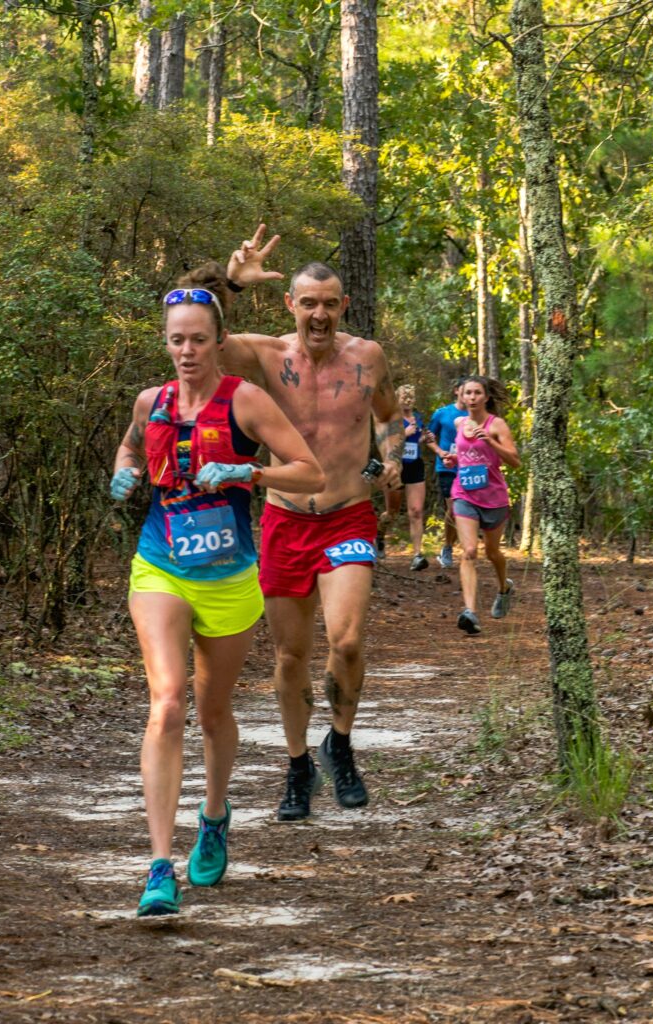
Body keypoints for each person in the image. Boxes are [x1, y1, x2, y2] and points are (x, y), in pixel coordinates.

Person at [110, 265, 324, 916]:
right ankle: (157, 867)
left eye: (198, 339)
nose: (186, 351)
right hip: (161, 565)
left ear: (217, 339)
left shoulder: (245, 401)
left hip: (230, 577)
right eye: (176, 339)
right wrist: (122, 474)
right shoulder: (150, 403)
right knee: (167, 703)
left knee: (211, 713)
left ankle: (213, 814)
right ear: (165, 342)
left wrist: (248, 471)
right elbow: (126, 449)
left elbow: (309, 473)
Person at [222, 225, 404, 822]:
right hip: (284, 521)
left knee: (347, 641)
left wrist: (392, 457)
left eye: (329, 303)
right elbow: (200, 339)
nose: (319, 314)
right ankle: (299, 766)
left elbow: (388, 414)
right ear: (289, 305)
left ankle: (341, 745)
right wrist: (230, 281)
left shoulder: (367, 356)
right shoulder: (266, 355)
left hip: (348, 513)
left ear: (343, 306)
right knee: (289, 656)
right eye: (308, 303)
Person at [441, 375, 520, 635]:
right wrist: (455, 459)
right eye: (468, 393)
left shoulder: (496, 425)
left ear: (486, 397)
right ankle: (470, 612)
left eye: (477, 393)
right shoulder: (458, 422)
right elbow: (464, 454)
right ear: (461, 397)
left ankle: (504, 588)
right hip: (464, 493)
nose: (472, 398)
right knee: (470, 551)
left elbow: (515, 461)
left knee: (492, 553)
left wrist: (490, 441)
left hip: (494, 497)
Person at [379, 384, 429, 570]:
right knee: (391, 512)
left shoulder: (418, 418)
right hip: (395, 467)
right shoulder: (392, 420)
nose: (408, 401)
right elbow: (386, 444)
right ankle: (380, 535)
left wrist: (423, 438)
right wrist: (404, 434)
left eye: (411, 398)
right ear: (397, 398)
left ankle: (417, 555)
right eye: (404, 398)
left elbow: (418, 440)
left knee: (416, 511)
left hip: (415, 466)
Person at [427, 378, 466, 569]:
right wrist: (440, 452)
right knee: (454, 509)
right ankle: (448, 548)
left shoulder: (477, 415)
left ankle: (464, 547)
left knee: (464, 510)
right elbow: (428, 437)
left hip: (470, 468)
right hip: (447, 467)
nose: (469, 395)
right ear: (456, 391)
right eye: (465, 390)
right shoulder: (442, 413)